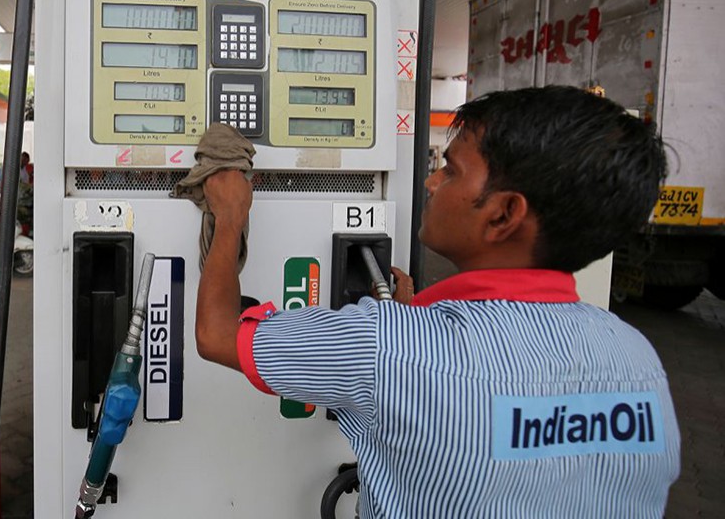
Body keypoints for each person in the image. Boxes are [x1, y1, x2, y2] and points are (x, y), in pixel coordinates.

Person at [196, 86, 680, 518]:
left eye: (450, 170)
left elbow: (217, 334)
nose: (430, 182)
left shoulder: (387, 344)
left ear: (504, 214)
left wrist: (230, 219)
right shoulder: (638, 359)